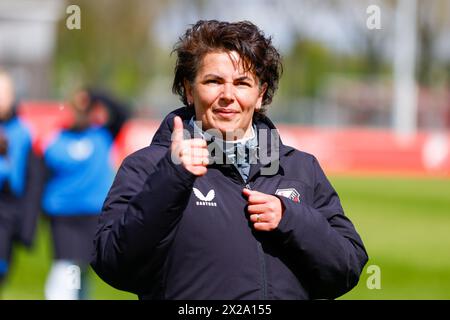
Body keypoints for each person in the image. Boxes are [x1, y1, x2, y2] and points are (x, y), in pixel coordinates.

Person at [91, 20, 368, 300]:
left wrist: (291, 218)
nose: (228, 96)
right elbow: (114, 263)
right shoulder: (149, 166)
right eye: (213, 81)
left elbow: (346, 270)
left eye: (242, 83)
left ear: (260, 94)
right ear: (189, 90)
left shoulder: (301, 168)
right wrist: (172, 177)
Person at [41, 88, 129, 300]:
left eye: (85, 108)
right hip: (63, 214)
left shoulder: (102, 134)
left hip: (92, 213)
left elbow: (123, 111)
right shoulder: (55, 139)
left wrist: (93, 94)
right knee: (66, 265)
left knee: (82, 268)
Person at [0, 70, 42, 291]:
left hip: (7, 213)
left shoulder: (23, 132)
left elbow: (33, 181)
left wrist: (27, 226)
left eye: (3, 93)